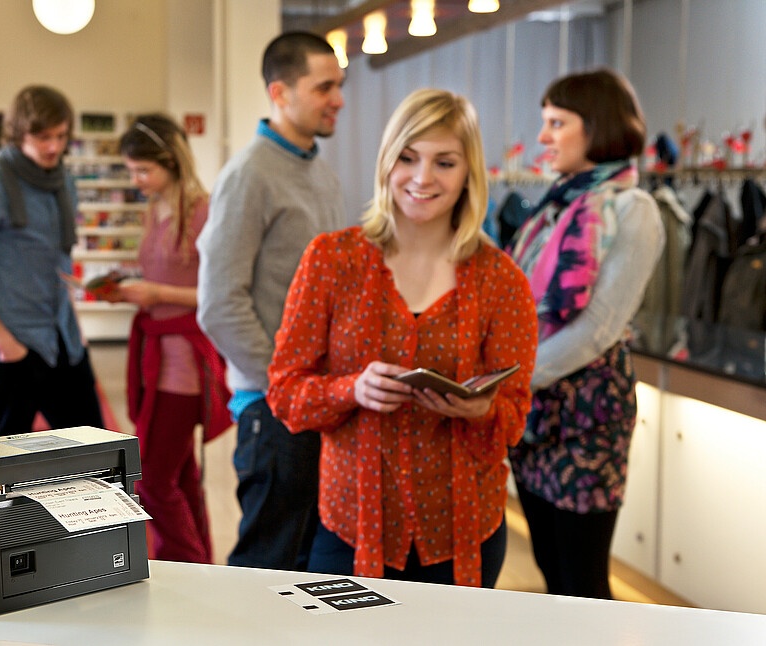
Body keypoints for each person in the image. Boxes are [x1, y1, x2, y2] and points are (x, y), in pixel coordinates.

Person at [267, 88, 538, 587]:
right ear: (387, 163)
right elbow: (285, 392)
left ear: (468, 174)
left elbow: (516, 416)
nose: (422, 178)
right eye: (408, 158)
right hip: (350, 527)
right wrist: (353, 389)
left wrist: (482, 409)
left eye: (445, 162)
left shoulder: (501, 279)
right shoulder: (331, 260)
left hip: (464, 532)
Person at [506, 68, 665, 599]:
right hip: (536, 413)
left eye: (556, 123)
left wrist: (511, 380)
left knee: (582, 580)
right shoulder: (558, 206)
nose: (543, 137)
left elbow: (599, 328)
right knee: (550, 566)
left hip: (588, 413)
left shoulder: (633, 210)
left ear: (595, 126)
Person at [195, 31, 346, 571]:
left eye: (340, 85)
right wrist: (283, 385)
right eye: (325, 87)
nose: (339, 99)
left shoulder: (320, 172)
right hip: (275, 409)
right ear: (279, 92)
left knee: (310, 565)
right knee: (267, 564)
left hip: (319, 406)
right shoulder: (249, 175)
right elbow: (217, 304)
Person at [100, 113, 231, 563]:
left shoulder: (204, 212)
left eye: (143, 170)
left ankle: (186, 564)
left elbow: (218, 291)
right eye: (130, 170)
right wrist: (133, 292)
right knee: (181, 475)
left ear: (171, 162)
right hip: (156, 354)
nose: (136, 179)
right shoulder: (155, 208)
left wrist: (156, 293)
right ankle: (200, 561)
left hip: (185, 365)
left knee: (153, 478)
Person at [0, 85, 105, 437]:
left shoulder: (64, 182)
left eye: (61, 136)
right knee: (7, 468)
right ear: (18, 133)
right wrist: (6, 345)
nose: (53, 147)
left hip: (63, 340)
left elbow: (60, 264)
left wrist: (76, 330)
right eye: (42, 136)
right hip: (11, 344)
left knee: (98, 454)